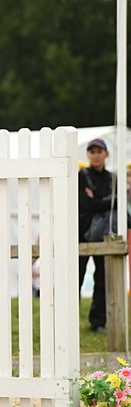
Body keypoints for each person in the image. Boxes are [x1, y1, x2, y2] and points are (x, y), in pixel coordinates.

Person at [79, 137, 113, 333]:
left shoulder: (112, 178)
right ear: (88, 155)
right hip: (82, 234)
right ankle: (69, 322)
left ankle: (98, 322)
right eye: (92, 152)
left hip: (103, 235)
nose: (96, 155)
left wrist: (97, 200)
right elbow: (86, 204)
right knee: (77, 277)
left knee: (102, 279)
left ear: (106, 154)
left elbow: (114, 202)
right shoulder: (81, 176)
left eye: (99, 151)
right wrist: (106, 201)